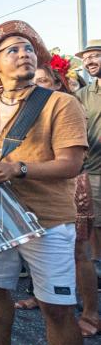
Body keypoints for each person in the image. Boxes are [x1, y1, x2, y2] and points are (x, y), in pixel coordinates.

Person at [0, 20, 86, 344]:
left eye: (28, 48)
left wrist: (16, 169)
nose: (25, 54)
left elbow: (71, 163)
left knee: (57, 307)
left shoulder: (61, 103)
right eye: (14, 49)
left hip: (46, 218)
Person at [20, 59, 99, 337]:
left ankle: (90, 311)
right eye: (33, 82)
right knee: (37, 246)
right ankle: (41, 296)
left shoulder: (66, 105)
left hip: (71, 184)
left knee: (78, 252)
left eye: (42, 82)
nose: (35, 87)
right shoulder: (23, 110)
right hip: (35, 188)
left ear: (56, 84)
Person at [75, 39, 101, 280]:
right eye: (86, 57)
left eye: (95, 55)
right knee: (97, 224)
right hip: (94, 170)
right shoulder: (83, 94)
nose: (89, 61)